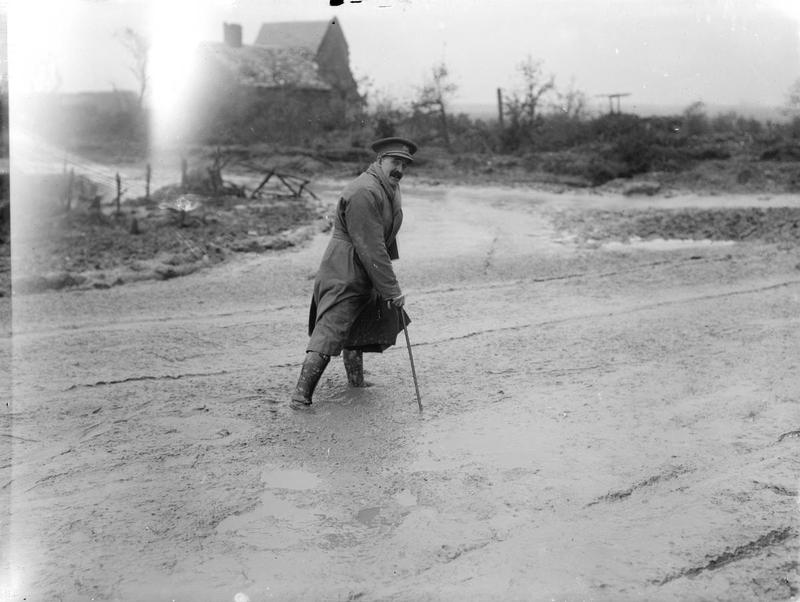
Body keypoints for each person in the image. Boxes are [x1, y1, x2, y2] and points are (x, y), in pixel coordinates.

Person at [290, 137, 418, 410]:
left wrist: (382, 280)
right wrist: (391, 289)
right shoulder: (364, 192)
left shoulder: (390, 188)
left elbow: (385, 239)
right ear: (380, 160)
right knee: (330, 329)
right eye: (395, 162)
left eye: (404, 164)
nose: (400, 170)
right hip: (345, 269)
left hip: (364, 266)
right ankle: (301, 397)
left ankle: (355, 382)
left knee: (359, 323)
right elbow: (371, 247)